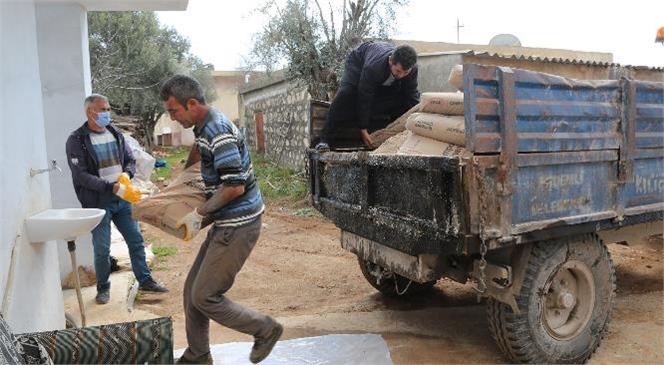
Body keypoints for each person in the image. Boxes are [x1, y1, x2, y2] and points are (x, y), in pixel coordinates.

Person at [160, 75, 283, 365]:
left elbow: (234, 186)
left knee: (204, 295)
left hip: (238, 224)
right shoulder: (204, 125)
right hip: (227, 222)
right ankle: (198, 355)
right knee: (192, 291)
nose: (172, 118)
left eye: (174, 111)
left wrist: (198, 214)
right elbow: (199, 152)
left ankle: (265, 328)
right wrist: (181, 181)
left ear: (192, 104)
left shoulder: (217, 130)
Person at [65, 94, 168, 305]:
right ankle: (103, 289)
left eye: (108, 109)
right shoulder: (77, 140)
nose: (107, 113)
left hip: (123, 199)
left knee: (136, 240)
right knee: (102, 248)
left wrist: (126, 176)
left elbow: (130, 160)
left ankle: (146, 281)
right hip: (98, 202)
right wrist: (109, 187)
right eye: (102, 110)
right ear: (89, 112)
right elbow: (81, 175)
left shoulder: (116, 134)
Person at [315, 40, 420, 151]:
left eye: (406, 72)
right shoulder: (373, 68)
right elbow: (365, 96)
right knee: (346, 94)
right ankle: (325, 140)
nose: (402, 76)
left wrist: (420, 116)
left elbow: (411, 94)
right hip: (358, 63)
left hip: (379, 72)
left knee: (401, 100)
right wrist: (363, 128)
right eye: (398, 71)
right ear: (390, 61)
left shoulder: (412, 69)